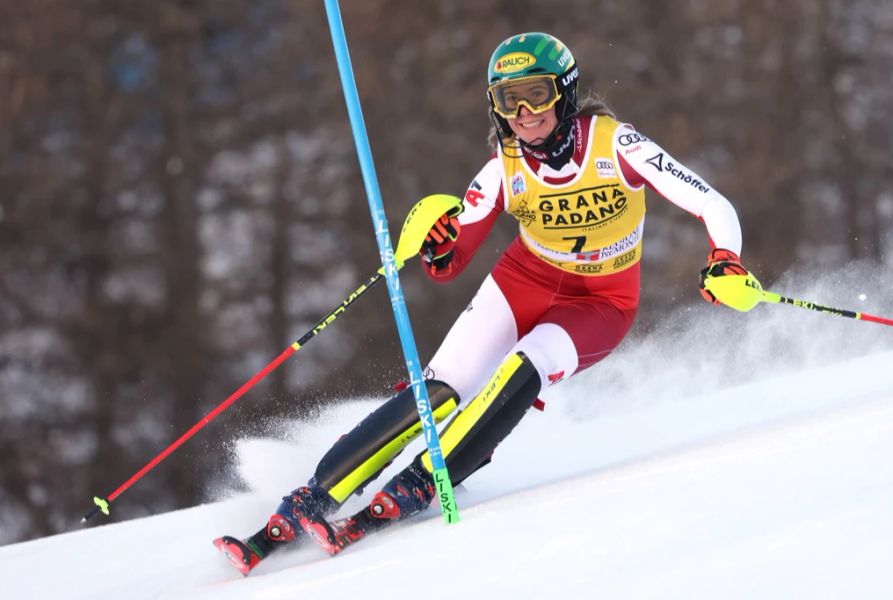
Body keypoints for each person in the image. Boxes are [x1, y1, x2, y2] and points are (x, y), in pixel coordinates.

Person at [214, 31, 757, 574]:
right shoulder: (505, 165)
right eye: (507, 100)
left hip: (600, 301)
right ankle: (314, 495)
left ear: (564, 93)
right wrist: (438, 241)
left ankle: (423, 480)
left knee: (528, 366)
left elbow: (712, 203)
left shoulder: (617, 146)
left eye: (537, 95)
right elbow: (447, 265)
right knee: (444, 384)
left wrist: (725, 258)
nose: (524, 112)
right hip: (524, 280)